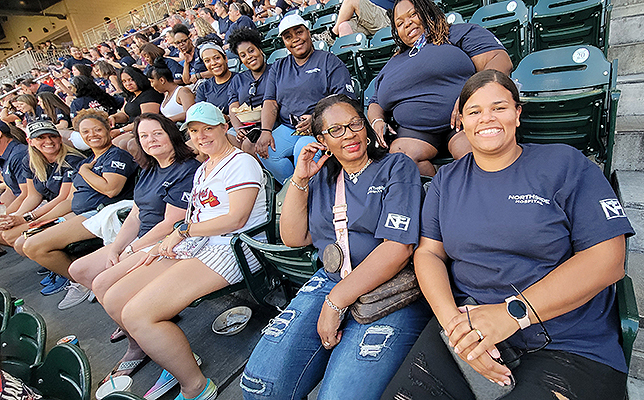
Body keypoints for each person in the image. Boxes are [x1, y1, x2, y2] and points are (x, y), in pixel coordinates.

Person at [382, 69, 635, 400]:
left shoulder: (565, 163)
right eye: (474, 111)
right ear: (461, 121)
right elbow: (429, 253)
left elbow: (608, 260)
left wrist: (511, 314)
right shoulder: (447, 180)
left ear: (517, 113)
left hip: (566, 339)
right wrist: (453, 326)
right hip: (468, 322)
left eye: (499, 107)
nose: (487, 118)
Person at [242, 94, 431, 399]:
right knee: (259, 385)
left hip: (389, 289)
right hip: (331, 280)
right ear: (321, 139)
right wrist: (300, 178)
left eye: (355, 123)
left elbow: (397, 249)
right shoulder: (320, 177)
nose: (350, 135)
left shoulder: (397, 166)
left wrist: (335, 302)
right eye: (336, 130)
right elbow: (294, 237)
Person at [95, 102, 267, 400]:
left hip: (233, 247)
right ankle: (168, 352)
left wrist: (181, 232)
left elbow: (236, 219)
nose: (201, 136)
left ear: (224, 127)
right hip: (198, 244)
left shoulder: (241, 162)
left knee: (138, 314)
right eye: (195, 131)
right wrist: (167, 243)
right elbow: (196, 217)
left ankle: (197, 386)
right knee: (114, 296)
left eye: (208, 128)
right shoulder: (204, 168)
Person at [66, 113, 199, 313]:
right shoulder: (149, 168)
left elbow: (170, 223)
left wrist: (131, 249)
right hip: (140, 239)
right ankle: (131, 316)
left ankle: (135, 327)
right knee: (78, 269)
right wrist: (116, 248)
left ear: (171, 135)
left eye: (157, 133)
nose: (150, 140)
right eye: (143, 136)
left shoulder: (187, 170)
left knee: (102, 284)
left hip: (164, 242)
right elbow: (136, 214)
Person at [367, 0, 512, 176]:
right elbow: (375, 101)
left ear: (428, 11)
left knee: (472, 155)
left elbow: (499, 59)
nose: (407, 23)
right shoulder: (393, 62)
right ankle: (436, 190)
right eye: (399, 23)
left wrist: (472, 95)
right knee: (400, 161)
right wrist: (376, 121)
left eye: (413, 14)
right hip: (414, 130)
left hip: (461, 120)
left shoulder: (455, 34)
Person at [22, 109, 138, 296]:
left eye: (97, 129)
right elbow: (70, 200)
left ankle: (86, 282)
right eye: (85, 132)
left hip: (102, 213)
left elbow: (111, 189)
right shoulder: (91, 159)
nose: (92, 135)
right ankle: (88, 277)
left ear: (109, 127)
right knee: (25, 239)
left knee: (34, 246)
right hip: (79, 213)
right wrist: (37, 219)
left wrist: (84, 171)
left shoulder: (116, 156)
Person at [257, 14, 356, 183]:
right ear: (284, 42)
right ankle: (295, 189)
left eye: (299, 32)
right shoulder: (279, 67)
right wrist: (266, 131)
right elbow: (270, 101)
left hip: (320, 128)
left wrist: (317, 120)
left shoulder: (328, 60)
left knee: (302, 149)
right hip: (289, 127)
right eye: (288, 37)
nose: (295, 39)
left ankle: (309, 196)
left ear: (308, 32)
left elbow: (344, 99)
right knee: (266, 151)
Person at [0, 121, 85, 257]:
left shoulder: (71, 160)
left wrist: (28, 218)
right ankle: (52, 258)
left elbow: (64, 199)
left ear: (59, 138)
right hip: (52, 207)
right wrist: (15, 217)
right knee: (8, 232)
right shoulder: (30, 161)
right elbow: (33, 196)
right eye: (41, 137)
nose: (48, 141)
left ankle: (61, 259)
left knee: (17, 239)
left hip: (70, 208)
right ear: (30, 141)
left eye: (52, 136)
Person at [227, 28, 269, 153]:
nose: (249, 57)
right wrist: (238, 128)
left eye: (251, 51)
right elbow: (233, 107)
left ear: (260, 50)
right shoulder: (238, 79)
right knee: (229, 136)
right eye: (243, 55)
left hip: (270, 121)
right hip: (247, 124)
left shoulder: (274, 71)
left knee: (249, 143)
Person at [109, 67, 163, 153]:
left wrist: (121, 130)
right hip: (132, 129)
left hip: (145, 129)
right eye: (124, 81)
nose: (128, 84)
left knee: (119, 144)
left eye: (131, 80)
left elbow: (146, 120)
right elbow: (125, 115)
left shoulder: (149, 94)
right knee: (111, 144)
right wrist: (113, 118)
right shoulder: (131, 96)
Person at [195, 42, 236, 113]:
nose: (213, 63)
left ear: (225, 58)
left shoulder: (240, 80)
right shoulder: (203, 88)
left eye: (217, 58)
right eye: (207, 61)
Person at [0, 121, 28, 213]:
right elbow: (11, 191)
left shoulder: (19, 155)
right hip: (20, 204)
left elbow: (27, 194)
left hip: (35, 206)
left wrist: (4, 216)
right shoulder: (5, 155)